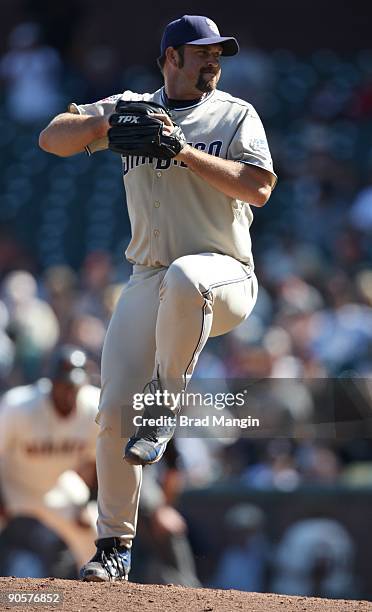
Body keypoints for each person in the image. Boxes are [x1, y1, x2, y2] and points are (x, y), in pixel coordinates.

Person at [39, 14, 277, 582]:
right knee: (114, 405)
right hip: (148, 276)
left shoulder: (236, 113)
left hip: (224, 275)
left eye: (218, 54)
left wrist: (185, 151)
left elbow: (260, 188)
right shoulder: (132, 104)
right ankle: (113, 547)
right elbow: (53, 137)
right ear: (171, 58)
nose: (214, 62)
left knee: (188, 280)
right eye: (202, 54)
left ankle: (166, 402)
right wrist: (104, 125)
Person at [0, 345, 100, 576]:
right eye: (64, 384)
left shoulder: (96, 407)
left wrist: (90, 502)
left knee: (96, 528)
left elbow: (102, 462)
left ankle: (101, 596)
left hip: (55, 486)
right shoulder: (19, 406)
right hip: (10, 483)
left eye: (75, 386)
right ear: (51, 382)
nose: (69, 391)